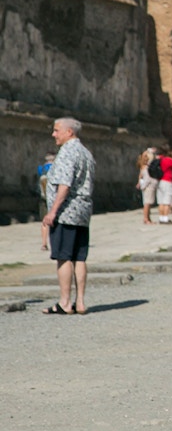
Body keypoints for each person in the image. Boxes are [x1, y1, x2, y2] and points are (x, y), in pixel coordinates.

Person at [41, 117, 95, 316]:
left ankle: (65, 302)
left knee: (64, 258)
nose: (53, 134)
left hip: (66, 212)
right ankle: (80, 301)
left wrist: (53, 211)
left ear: (69, 132)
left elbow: (64, 185)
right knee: (79, 257)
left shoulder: (67, 153)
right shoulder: (86, 153)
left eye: (57, 130)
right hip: (82, 211)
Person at [152, 146, 172, 224]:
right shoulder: (168, 160)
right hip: (168, 180)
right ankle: (166, 218)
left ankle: (161, 218)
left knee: (161, 202)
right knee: (167, 201)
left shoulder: (157, 160)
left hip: (159, 181)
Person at [37, 150, 55, 250]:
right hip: (54, 199)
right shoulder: (56, 167)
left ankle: (44, 243)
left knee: (44, 221)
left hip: (43, 197)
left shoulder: (42, 169)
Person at [135, 148, 156, 226]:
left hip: (146, 186)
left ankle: (148, 218)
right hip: (148, 187)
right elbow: (147, 178)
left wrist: (139, 182)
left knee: (148, 203)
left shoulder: (143, 166)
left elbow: (140, 176)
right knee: (147, 204)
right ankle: (146, 218)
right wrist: (143, 185)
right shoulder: (146, 167)